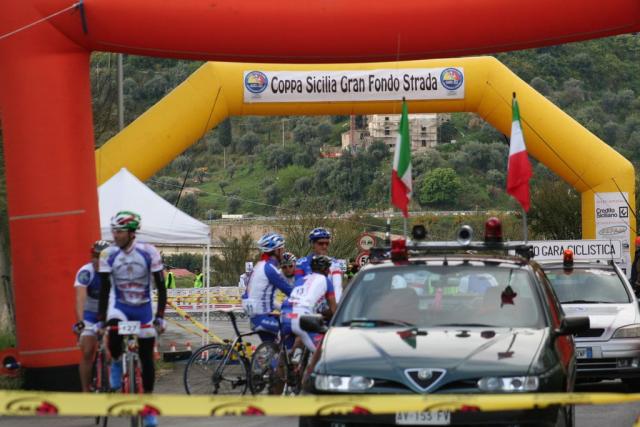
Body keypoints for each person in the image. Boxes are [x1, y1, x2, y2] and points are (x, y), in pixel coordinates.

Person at [96, 211, 166, 427]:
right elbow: (105, 290)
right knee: (114, 335)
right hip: (119, 307)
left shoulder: (149, 252)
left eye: (120, 231)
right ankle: (117, 362)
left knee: (147, 359)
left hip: (143, 308)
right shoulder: (107, 254)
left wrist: (160, 317)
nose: (115, 235)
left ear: (131, 232)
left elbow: (161, 287)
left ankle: (148, 409)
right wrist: (101, 320)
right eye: (114, 231)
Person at [72, 239, 111, 392]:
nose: (97, 260)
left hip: (109, 312)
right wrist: (81, 322)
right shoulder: (86, 272)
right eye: (94, 256)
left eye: (101, 257)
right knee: (88, 351)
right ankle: (86, 391)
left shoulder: (115, 272)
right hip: (90, 314)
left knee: (112, 348)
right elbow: (80, 299)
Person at [243, 232, 292, 342]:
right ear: (277, 251)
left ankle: (273, 352)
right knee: (292, 326)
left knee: (274, 346)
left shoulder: (259, 265)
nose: (283, 252)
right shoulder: (270, 269)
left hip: (256, 315)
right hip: (261, 317)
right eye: (282, 249)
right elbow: (289, 291)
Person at [285, 255, 337, 353]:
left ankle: (288, 358)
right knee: (322, 352)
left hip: (285, 312)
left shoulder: (301, 279)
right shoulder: (326, 281)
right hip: (302, 315)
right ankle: (308, 363)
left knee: (290, 347)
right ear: (326, 270)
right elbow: (334, 309)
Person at [295, 228, 345, 302]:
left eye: (327, 243)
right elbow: (298, 286)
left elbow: (337, 287)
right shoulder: (301, 263)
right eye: (321, 243)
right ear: (312, 244)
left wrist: (337, 305)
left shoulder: (335, 263)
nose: (324, 246)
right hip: (307, 303)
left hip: (328, 304)